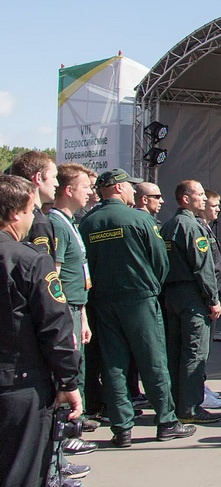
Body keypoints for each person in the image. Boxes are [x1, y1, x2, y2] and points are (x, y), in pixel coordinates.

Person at [78, 168, 195, 447]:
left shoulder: (87, 223)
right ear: (118, 188)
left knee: (113, 364)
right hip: (139, 298)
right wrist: (151, 287)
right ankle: (166, 421)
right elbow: (160, 262)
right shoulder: (140, 219)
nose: (133, 190)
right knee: (152, 360)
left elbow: (84, 266)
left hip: (103, 301)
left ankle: (121, 429)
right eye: (129, 186)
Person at [0, 175, 82, 487]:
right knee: (21, 473)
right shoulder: (30, 261)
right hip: (19, 385)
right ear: (13, 213)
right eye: (32, 210)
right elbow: (55, 328)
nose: (35, 217)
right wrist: (68, 381)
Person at [160, 180, 221, 425]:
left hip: (172, 295)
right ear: (185, 198)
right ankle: (191, 407)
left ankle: (176, 402)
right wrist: (213, 298)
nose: (203, 200)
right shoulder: (190, 226)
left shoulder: (168, 225)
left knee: (175, 351)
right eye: (199, 195)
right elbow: (202, 267)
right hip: (192, 297)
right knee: (195, 352)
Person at [48, 164, 98, 452]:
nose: (90, 192)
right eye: (84, 187)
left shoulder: (71, 222)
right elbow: (54, 277)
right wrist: (67, 316)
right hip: (64, 310)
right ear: (69, 191)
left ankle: (71, 431)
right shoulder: (56, 224)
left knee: (77, 366)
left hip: (76, 307)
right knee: (67, 371)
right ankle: (63, 440)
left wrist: (83, 316)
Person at [197, 189, 221, 409]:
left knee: (204, 348)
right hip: (204, 300)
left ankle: (200, 384)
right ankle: (197, 391)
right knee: (199, 348)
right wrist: (212, 298)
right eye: (214, 205)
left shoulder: (206, 228)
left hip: (209, 296)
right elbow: (202, 268)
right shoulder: (198, 229)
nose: (218, 209)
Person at [9, 150, 58, 255]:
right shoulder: (38, 222)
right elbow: (43, 268)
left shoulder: (11, 216)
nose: (56, 184)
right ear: (38, 178)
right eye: (54, 177)